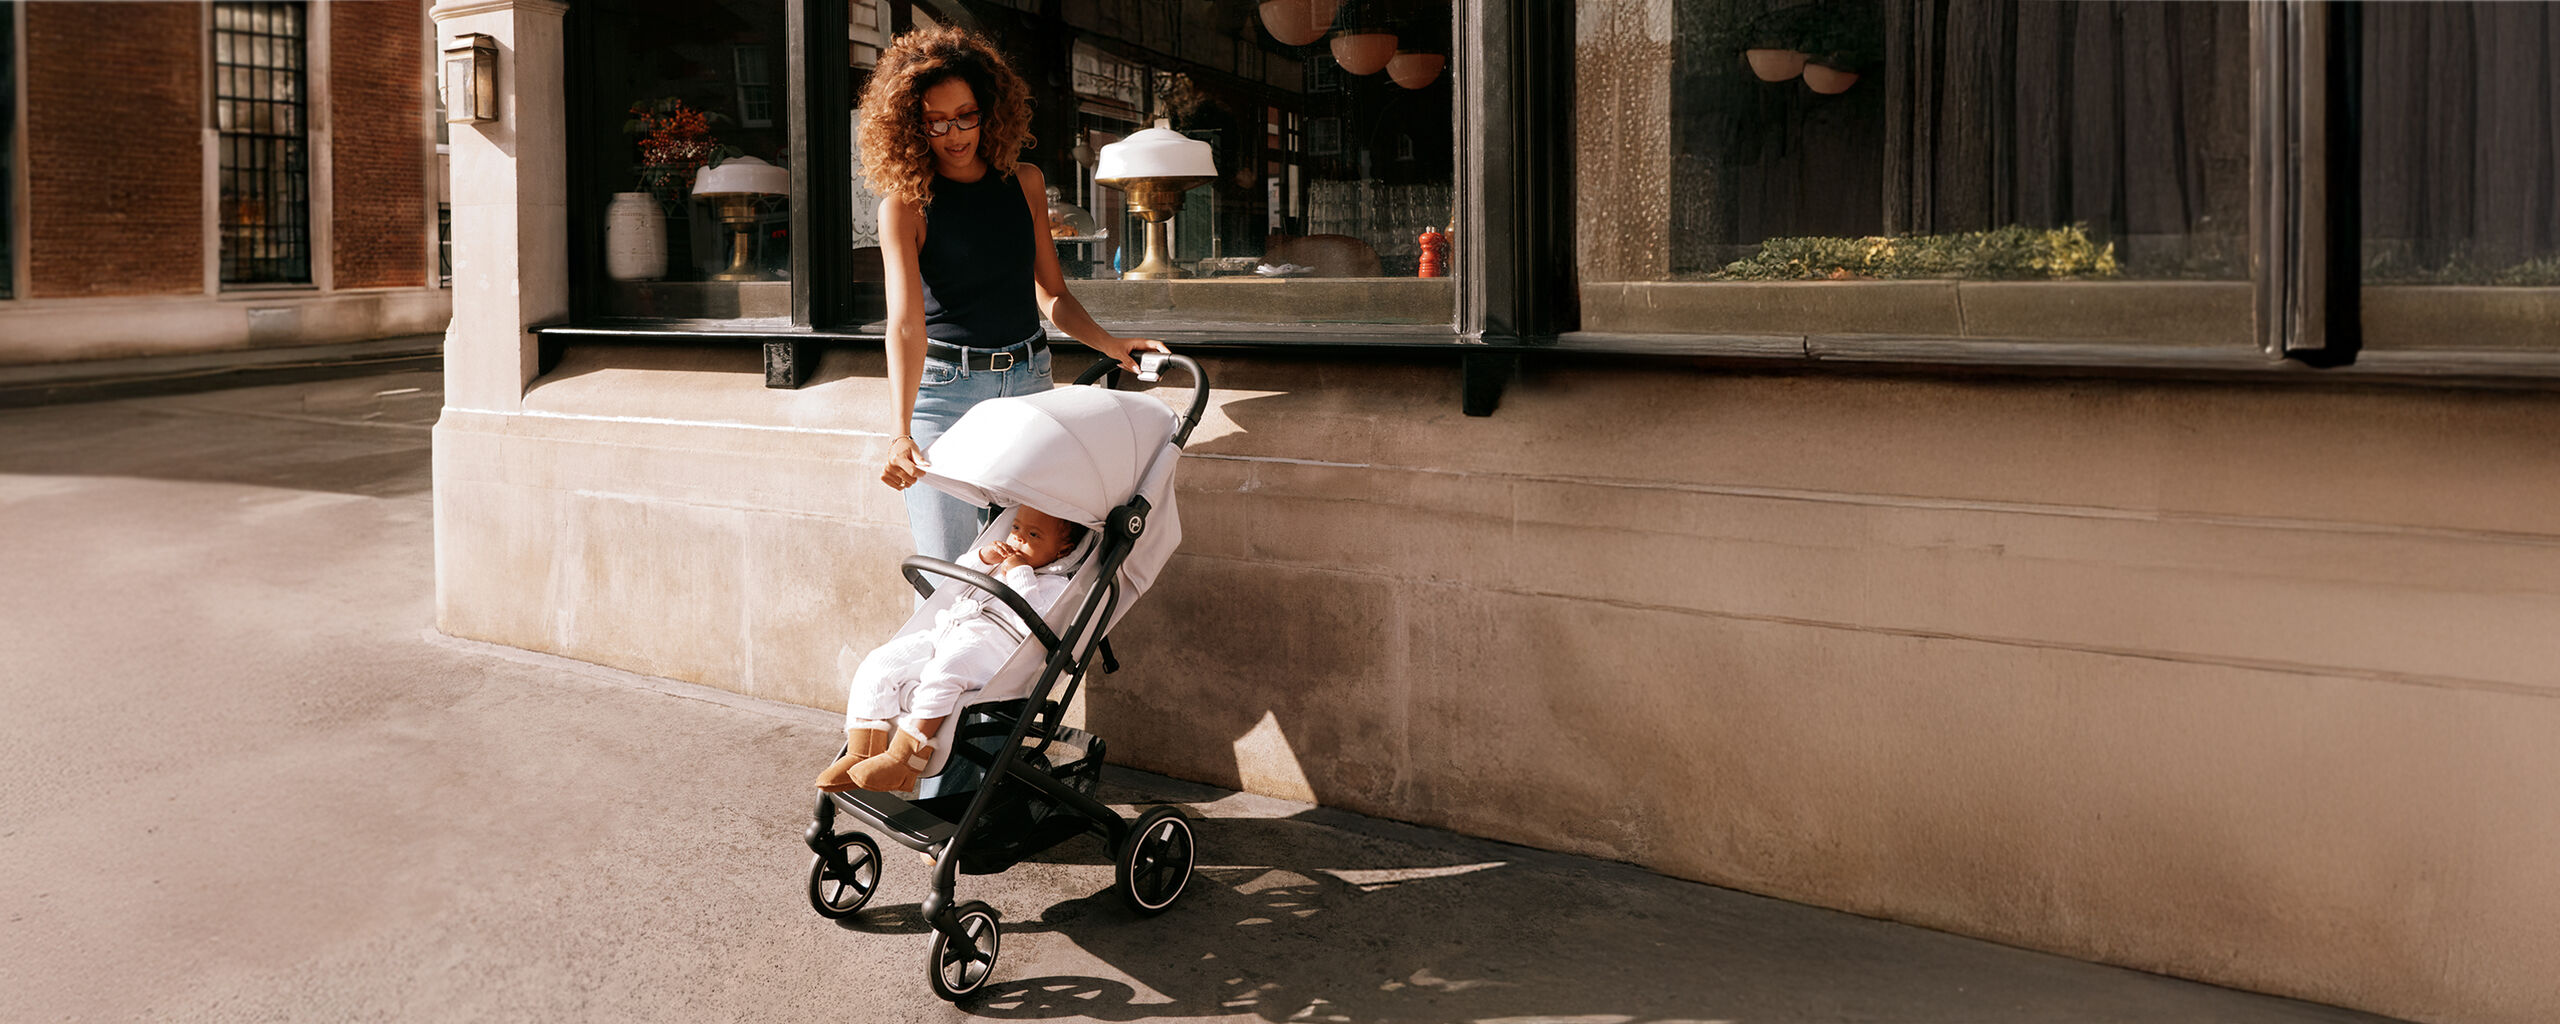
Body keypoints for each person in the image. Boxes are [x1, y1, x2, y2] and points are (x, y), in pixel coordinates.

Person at [857, 27, 1169, 565]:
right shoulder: (904, 207)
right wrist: (899, 433)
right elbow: (906, 326)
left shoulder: (1024, 182)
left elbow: (1053, 295)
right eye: (936, 121)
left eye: (966, 115)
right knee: (948, 572)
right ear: (911, 126)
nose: (955, 133)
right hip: (944, 396)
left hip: (1029, 384)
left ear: (989, 110)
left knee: (1028, 560)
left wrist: (1111, 344)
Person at [816, 505, 1085, 793]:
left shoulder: (1057, 586)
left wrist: (1020, 573)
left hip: (989, 649)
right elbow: (953, 585)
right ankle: (861, 751)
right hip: (946, 632)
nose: (1018, 538)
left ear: (1063, 550)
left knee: (945, 671)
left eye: (1033, 535)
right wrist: (983, 558)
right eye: (1016, 528)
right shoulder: (996, 564)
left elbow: (1037, 626)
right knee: (880, 662)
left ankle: (905, 760)